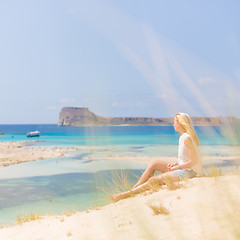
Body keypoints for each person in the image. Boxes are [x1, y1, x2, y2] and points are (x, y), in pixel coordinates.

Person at [109, 113, 203, 201]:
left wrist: (176, 167)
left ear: (180, 124)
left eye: (175, 122)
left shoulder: (187, 138)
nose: (173, 124)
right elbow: (186, 158)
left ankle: (125, 195)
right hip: (182, 169)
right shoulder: (183, 137)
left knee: (153, 180)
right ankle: (133, 189)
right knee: (154, 163)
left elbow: (194, 161)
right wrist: (176, 163)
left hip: (188, 172)